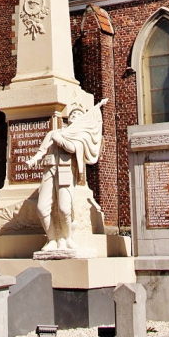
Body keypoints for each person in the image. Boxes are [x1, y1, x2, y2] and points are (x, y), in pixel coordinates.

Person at [25, 99, 107, 251]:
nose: (75, 116)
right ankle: (52, 239)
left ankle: (67, 238)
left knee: (64, 209)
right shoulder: (53, 133)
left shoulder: (80, 137)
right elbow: (42, 151)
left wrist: (61, 140)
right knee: (42, 209)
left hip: (65, 173)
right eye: (73, 114)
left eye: (78, 114)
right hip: (49, 171)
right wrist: (33, 160)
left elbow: (72, 148)